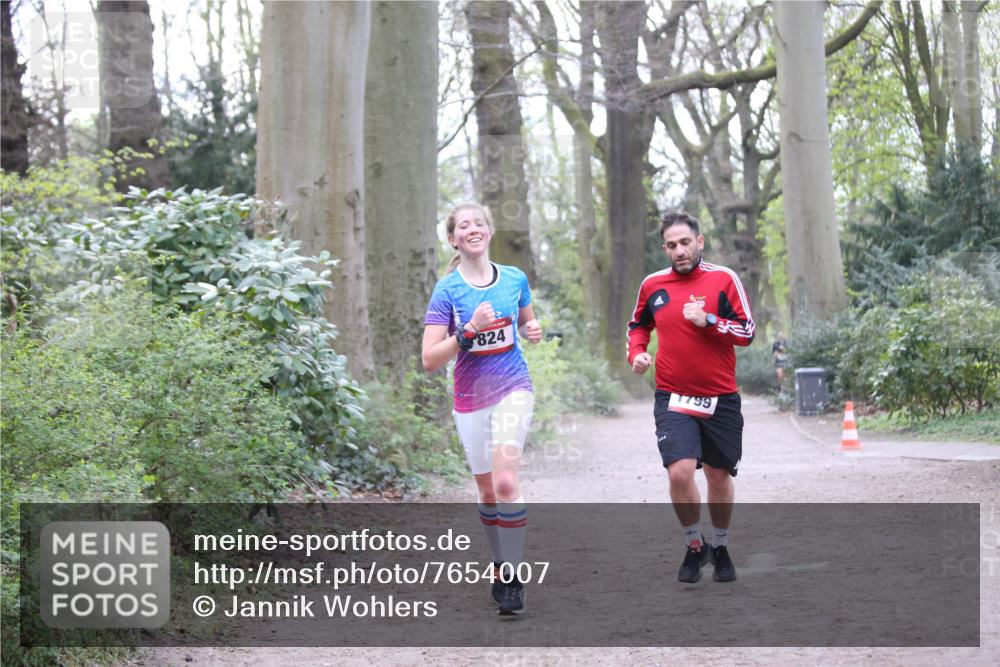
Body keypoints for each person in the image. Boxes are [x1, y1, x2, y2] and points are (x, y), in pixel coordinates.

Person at [422, 202, 542, 615]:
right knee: (488, 491)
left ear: (489, 231)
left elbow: (526, 321)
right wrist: (468, 330)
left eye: (479, 223)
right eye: (463, 226)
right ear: (454, 239)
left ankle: (511, 576)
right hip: (470, 398)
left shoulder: (514, 278)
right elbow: (430, 359)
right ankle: (499, 561)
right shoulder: (447, 290)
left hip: (513, 386)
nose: (472, 229)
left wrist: (533, 329)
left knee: (507, 482)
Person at [627, 211, 755, 584]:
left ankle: (720, 545)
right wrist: (636, 354)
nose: (679, 251)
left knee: (717, 474)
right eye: (671, 245)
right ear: (664, 248)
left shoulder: (723, 279)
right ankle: (694, 545)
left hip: (720, 397)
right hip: (673, 395)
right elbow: (638, 325)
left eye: (685, 243)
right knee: (680, 471)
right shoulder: (653, 285)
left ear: (699, 242)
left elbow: (747, 332)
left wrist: (710, 321)